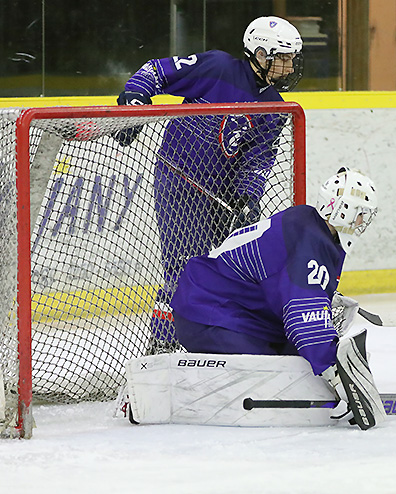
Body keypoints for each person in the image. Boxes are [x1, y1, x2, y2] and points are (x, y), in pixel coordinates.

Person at [115, 16, 304, 352]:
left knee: (231, 273)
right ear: (261, 55)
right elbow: (155, 72)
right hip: (179, 180)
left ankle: (216, 341)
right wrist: (134, 104)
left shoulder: (274, 105)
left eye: (292, 59)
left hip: (223, 197)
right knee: (185, 267)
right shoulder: (217, 67)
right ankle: (162, 345)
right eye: (284, 59)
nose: (290, 68)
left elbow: (258, 157)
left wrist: (247, 198)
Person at [169, 167, 386, 428]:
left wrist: (324, 295)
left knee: (296, 363)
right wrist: (336, 374)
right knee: (279, 374)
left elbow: (281, 281)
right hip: (207, 313)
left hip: (231, 309)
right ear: (343, 211)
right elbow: (303, 320)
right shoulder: (309, 241)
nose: (362, 221)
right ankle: (189, 390)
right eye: (360, 213)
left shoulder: (309, 225)